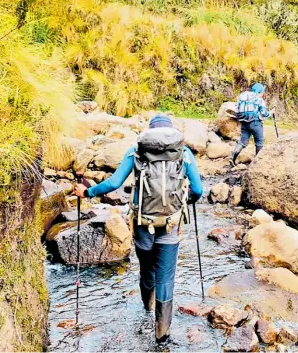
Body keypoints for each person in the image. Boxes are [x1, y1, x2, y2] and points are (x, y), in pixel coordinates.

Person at [74, 114, 203, 343]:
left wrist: (87, 192)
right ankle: (162, 335)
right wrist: (186, 200)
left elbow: (114, 183)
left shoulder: (137, 150)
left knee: (147, 269)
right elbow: (198, 190)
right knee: (166, 277)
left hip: (143, 223)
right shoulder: (183, 151)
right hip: (171, 223)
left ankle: (147, 305)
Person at [232, 83, 273, 164]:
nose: (262, 94)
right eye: (262, 92)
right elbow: (264, 113)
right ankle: (258, 163)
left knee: (243, 142)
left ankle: (233, 158)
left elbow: (237, 110)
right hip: (256, 123)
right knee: (259, 142)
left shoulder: (243, 97)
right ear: (259, 91)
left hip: (244, 123)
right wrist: (271, 112)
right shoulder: (258, 99)